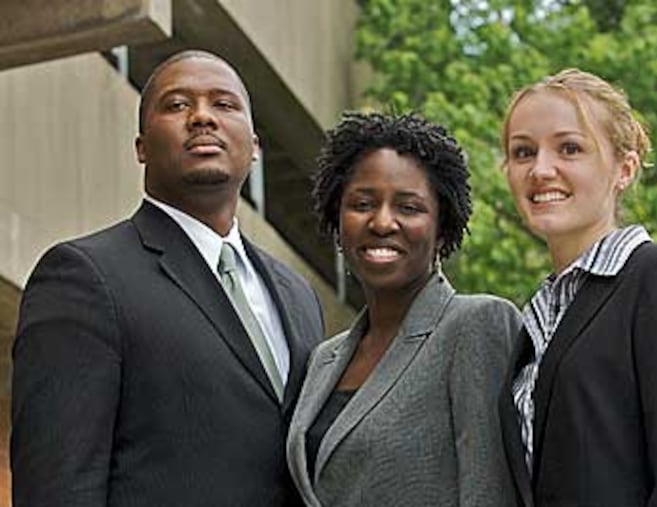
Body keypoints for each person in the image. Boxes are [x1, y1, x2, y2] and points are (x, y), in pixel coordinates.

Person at [11, 50, 324, 506]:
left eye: (224, 104)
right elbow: (56, 485)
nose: (202, 117)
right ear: (141, 146)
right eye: (177, 105)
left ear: (254, 146)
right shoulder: (83, 277)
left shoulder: (299, 297)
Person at [497, 68, 657, 507]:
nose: (540, 169)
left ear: (624, 169)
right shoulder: (533, 322)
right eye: (523, 152)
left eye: (570, 148)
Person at [286, 112, 522, 507]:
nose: (381, 222)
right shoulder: (322, 360)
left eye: (409, 207)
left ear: (442, 228)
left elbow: (491, 492)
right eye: (362, 203)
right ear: (337, 221)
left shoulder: (475, 325)